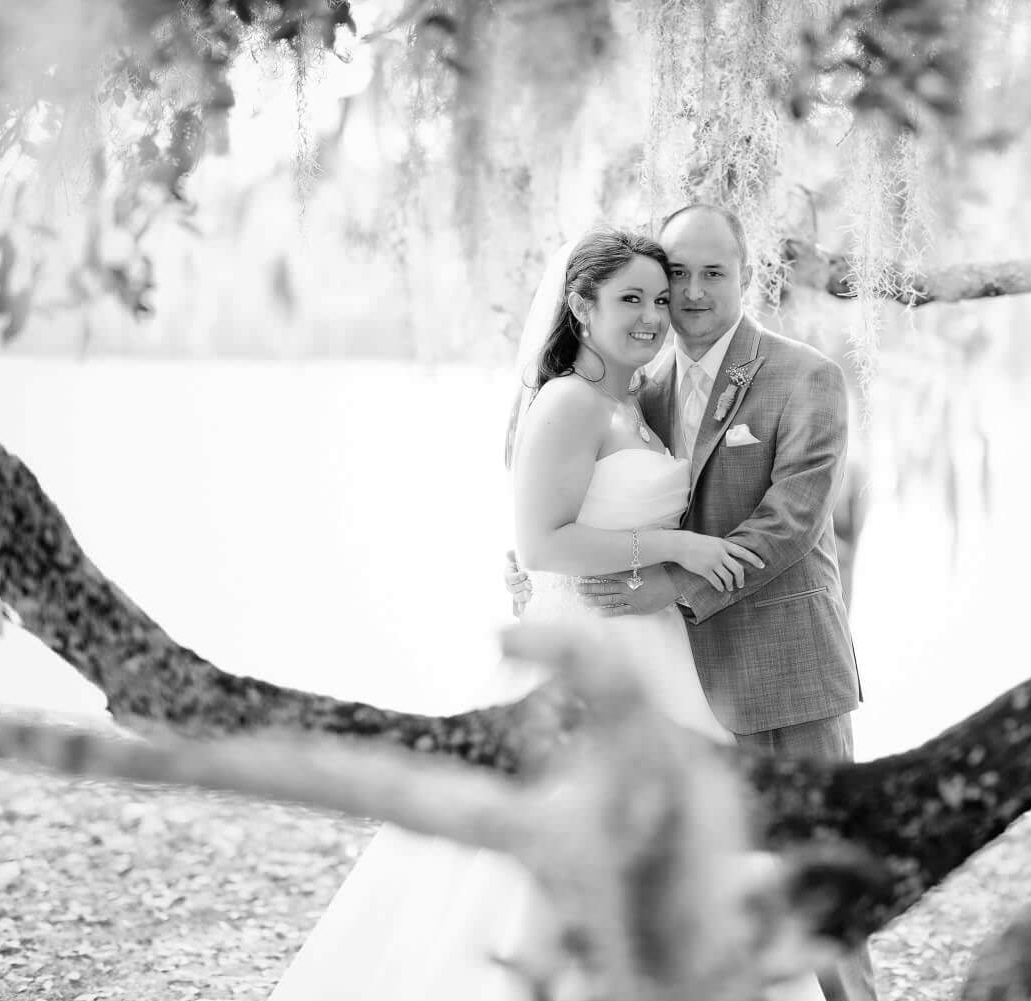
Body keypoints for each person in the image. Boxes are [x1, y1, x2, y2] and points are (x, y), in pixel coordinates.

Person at [267, 229, 823, 1001]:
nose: (654, 316)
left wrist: (669, 564)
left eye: (660, 299)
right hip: (585, 647)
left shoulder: (633, 400)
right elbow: (541, 542)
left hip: (654, 649)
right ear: (579, 304)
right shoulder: (568, 401)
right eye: (630, 298)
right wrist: (680, 546)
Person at [506, 205, 874, 1001]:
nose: (692, 292)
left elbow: (786, 525)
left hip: (787, 668)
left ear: (748, 276)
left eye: (716, 272)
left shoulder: (805, 376)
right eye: (677, 275)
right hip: (674, 680)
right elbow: (563, 513)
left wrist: (663, 583)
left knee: (822, 876)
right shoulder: (644, 385)